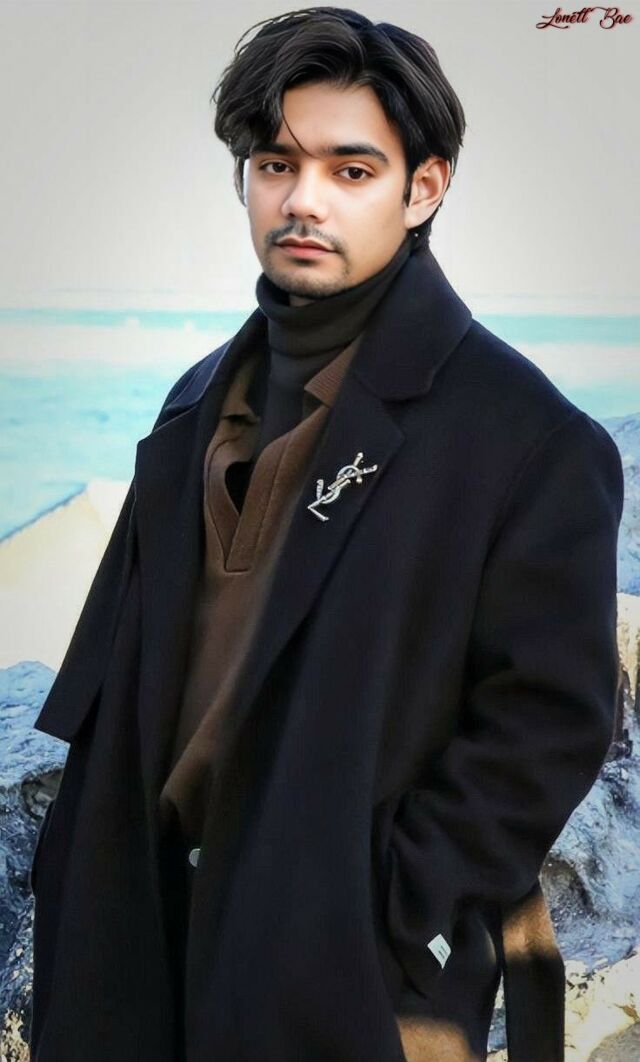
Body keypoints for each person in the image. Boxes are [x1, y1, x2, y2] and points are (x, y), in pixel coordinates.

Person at [29, 7, 624, 1062]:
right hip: (137, 952)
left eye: (351, 170)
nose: (302, 199)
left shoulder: (527, 439)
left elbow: (550, 721)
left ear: (423, 187)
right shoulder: (193, 405)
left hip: (342, 983)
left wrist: (390, 912)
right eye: (276, 164)